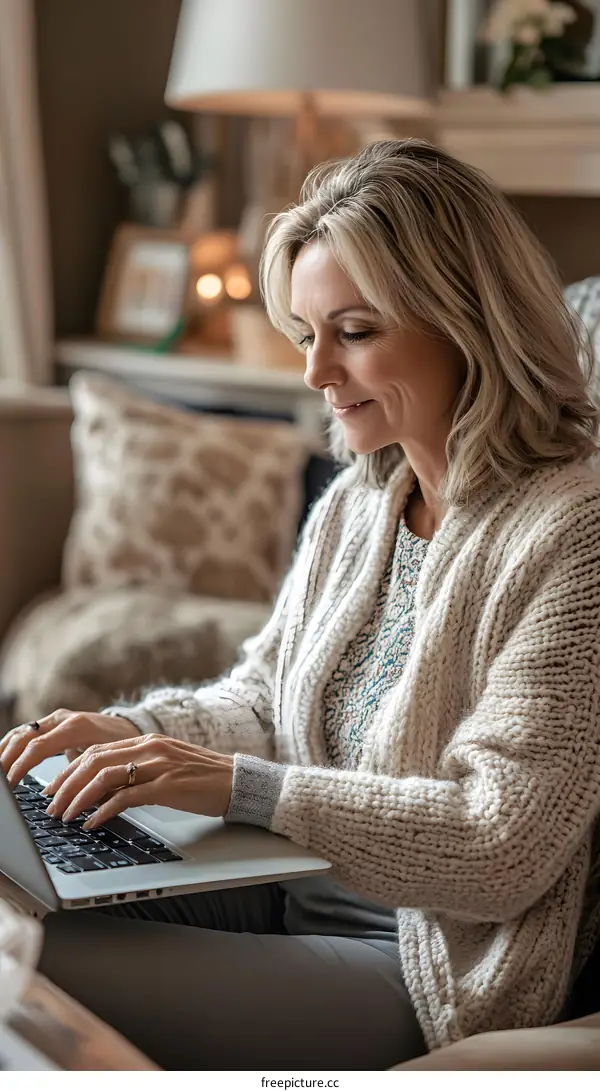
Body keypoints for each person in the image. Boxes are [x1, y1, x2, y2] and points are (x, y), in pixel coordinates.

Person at [2, 138, 600, 1072]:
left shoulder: (576, 532)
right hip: (285, 877)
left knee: (24, 964)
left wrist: (240, 787)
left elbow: (501, 843)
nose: (317, 372)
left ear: (467, 321)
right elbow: (268, 701)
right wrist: (123, 736)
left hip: (425, 956)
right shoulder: (365, 498)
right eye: (307, 335)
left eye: (354, 332)